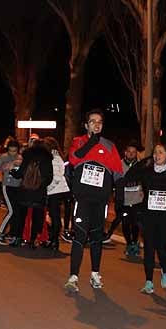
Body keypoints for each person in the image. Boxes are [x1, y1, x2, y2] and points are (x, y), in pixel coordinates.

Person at [64, 109, 123, 293]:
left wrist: (121, 198)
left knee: (97, 237)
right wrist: (92, 141)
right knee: (80, 236)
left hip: (101, 200)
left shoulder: (110, 146)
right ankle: (73, 276)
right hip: (83, 199)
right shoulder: (78, 141)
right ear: (86, 125)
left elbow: (118, 173)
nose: (96, 124)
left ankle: (95, 274)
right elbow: (74, 159)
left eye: (99, 122)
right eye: (92, 121)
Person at [130, 144, 166, 294]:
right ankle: (148, 281)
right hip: (148, 215)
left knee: (162, 248)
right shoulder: (148, 171)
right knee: (148, 248)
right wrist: (146, 160)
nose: (157, 155)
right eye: (155, 152)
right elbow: (130, 176)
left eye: (160, 152)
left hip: (164, 216)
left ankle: (165, 270)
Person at [9, 136, 53, 248]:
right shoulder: (47, 158)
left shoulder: (27, 156)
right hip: (39, 192)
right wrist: (40, 184)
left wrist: (12, 172)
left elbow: (20, 173)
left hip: (25, 191)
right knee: (37, 217)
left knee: (21, 216)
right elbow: (49, 178)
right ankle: (33, 240)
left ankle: (19, 238)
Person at [104, 142, 142, 258]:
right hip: (123, 200)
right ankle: (129, 243)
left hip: (137, 200)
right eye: (129, 152)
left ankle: (135, 242)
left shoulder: (140, 166)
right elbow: (112, 180)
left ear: (136, 154)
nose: (131, 154)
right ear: (125, 153)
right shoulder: (118, 165)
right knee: (125, 223)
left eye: (133, 152)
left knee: (135, 223)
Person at [0, 140, 22, 244]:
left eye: (15, 151)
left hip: (18, 187)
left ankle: (12, 234)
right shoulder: (4, 157)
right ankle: (0, 233)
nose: (12, 153)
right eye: (10, 151)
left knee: (16, 212)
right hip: (7, 186)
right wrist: (5, 166)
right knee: (11, 211)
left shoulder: (21, 157)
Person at [42, 137, 70, 252]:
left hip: (56, 190)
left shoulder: (54, 157)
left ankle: (54, 240)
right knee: (55, 215)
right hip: (58, 190)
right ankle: (53, 239)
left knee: (55, 215)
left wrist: (48, 189)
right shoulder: (57, 156)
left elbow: (57, 176)